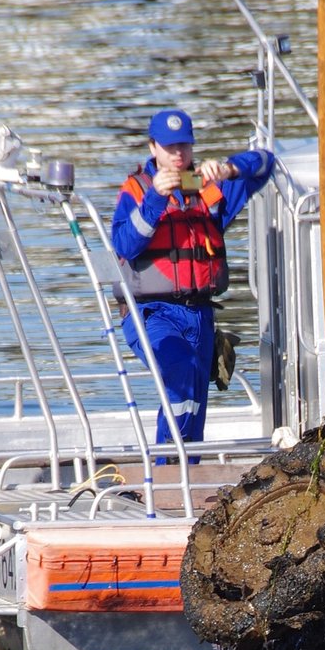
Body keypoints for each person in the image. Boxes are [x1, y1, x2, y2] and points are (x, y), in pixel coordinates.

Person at [110, 108, 275, 446]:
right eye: (170, 147)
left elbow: (266, 163)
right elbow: (124, 244)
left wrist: (229, 168)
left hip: (199, 315)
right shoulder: (136, 190)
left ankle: (185, 477)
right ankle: (169, 471)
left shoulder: (209, 190)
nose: (178, 155)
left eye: (184, 146)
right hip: (150, 313)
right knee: (180, 374)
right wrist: (156, 197)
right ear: (153, 147)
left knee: (194, 405)